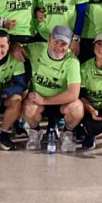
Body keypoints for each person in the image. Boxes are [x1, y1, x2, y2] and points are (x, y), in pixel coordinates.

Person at [16, 25, 84, 153]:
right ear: (49, 39)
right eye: (56, 42)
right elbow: (18, 47)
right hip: (39, 101)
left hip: (60, 102)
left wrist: (44, 100)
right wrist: (15, 47)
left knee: (77, 108)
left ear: (69, 45)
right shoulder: (37, 48)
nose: (58, 47)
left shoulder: (72, 62)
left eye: (63, 44)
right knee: (29, 107)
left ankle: (67, 133)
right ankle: (35, 131)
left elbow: (73, 93)